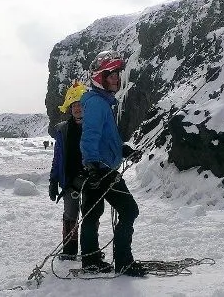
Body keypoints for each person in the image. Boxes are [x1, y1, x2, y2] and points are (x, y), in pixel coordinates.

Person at [79, 50, 145, 277]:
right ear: (100, 77)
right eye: (111, 74)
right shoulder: (98, 104)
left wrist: (123, 150)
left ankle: (91, 261)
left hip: (98, 167)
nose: (116, 78)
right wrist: (93, 166)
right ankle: (123, 262)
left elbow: (106, 138)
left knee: (91, 213)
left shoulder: (101, 102)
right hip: (100, 168)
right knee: (129, 210)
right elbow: (90, 135)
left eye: (117, 74)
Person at [49, 81, 87, 261]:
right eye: (75, 106)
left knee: (90, 215)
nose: (78, 109)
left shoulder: (93, 127)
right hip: (70, 180)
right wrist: (53, 180)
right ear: (70, 109)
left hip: (91, 178)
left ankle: (89, 252)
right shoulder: (63, 130)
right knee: (70, 216)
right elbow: (58, 158)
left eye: (80, 105)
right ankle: (69, 251)